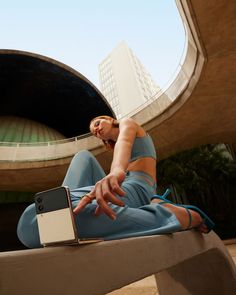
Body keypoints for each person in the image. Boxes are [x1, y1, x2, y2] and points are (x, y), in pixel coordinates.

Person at [17, 116, 214, 248]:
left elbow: (124, 143)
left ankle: (171, 215)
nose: (95, 129)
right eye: (93, 130)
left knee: (31, 224)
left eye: (97, 123)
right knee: (82, 157)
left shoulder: (128, 124)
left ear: (110, 119)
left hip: (135, 187)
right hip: (123, 187)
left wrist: (117, 170)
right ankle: (62, 207)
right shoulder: (114, 148)